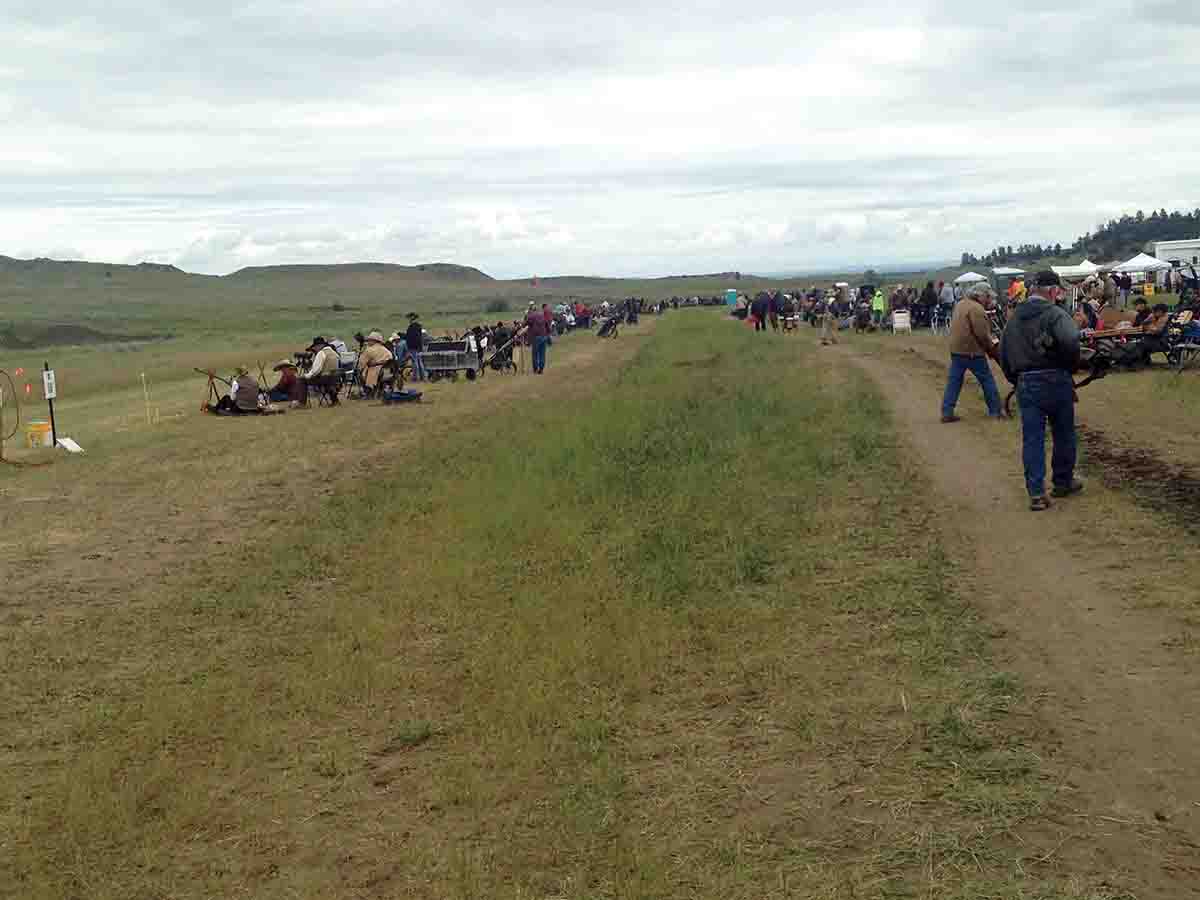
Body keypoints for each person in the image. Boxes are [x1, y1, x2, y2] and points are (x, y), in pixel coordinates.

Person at [999, 271, 1082, 512]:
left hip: (1026, 382)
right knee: (1064, 434)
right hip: (1056, 379)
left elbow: (1004, 353)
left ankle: (1036, 493)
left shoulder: (1014, 319)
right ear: (1053, 291)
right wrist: (1069, 368)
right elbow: (1071, 341)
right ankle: (1063, 482)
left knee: (1033, 439)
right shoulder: (1056, 314)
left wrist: (1016, 379)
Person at [941, 282, 1003, 422]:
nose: (989, 300)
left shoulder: (961, 304)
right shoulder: (977, 309)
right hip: (972, 351)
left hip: (956, 349)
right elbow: (982, 335)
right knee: (986, 379)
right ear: (980, 296)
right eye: (988, 297)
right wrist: (993, 351)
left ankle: (947, 411)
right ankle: (995, 411)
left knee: (954, 381)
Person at [355, 330, 393, 396]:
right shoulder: (386, 350)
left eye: (369, 340)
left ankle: (368, 391)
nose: (368, 341)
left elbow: (361, 363)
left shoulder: (369, 350)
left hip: (375, 371)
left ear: (373, 341)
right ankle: (379, 391)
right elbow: (391, 359)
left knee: (360, 373)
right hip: (388, 370)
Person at [526, 302, 551, 374]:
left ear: (532, 310)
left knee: (535, 354)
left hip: (536, 337)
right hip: (544, 336)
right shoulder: (542, 315)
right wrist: (548, 334)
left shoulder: (531, 316)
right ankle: (541, 369)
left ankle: (535, 369)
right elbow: (547, 326)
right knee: (542, 354)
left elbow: (526, 323)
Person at [404, 313, 426, 381]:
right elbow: (419, 338)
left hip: (413, 347)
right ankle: (423, 376)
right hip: (418, 347)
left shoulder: (411, 327)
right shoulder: (419, 327)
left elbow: (410, 338)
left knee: (414, 362)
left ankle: (416, 377)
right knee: (420, 362)